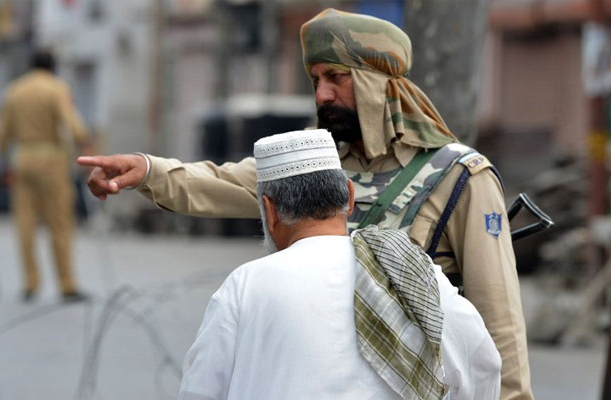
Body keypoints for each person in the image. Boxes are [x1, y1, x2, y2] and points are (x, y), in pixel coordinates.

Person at [78, 9, 531, 399]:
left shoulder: (459, 178)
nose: (322, 95)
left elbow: (499, 322)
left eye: (337, 77)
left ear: (378, 83)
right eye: (316, 79)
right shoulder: (319, 163)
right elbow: (222, 182)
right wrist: (147, 170)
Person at [178, 129, 501, 400]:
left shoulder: (246, 285)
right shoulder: (413, 271)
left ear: (269, 210)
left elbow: (201, 390)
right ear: (348, 195)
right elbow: (482, 365)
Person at [0, 49, 92, 302]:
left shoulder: (14, 90)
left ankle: (30, 282)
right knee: (59, 223)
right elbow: (69, 120)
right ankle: (66, 283)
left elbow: (2, 132)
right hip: (51, 160)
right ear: (53, 67)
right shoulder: (56, 88)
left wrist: (3, 162)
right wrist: (85, 142)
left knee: (25, 223)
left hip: (22, 159)